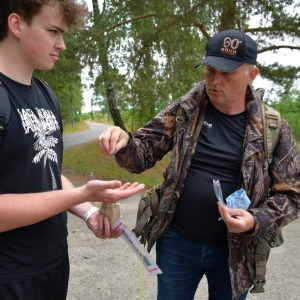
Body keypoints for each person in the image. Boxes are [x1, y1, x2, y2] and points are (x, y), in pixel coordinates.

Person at [98, 29, 300, 300]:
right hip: (177, 242)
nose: (215, 81)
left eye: (227, 73)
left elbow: (293, 194)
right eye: (209, 70)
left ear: (251, 74)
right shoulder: (185, 110)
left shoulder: (273, 128)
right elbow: (141, 154)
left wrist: (256, 219)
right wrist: (122, 141)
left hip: (235, 252)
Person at [0, 1, 145, 299]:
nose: (62, 45)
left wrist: (89, 211)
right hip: (9, 276)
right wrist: (81, 194)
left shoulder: (46, 95)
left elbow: (49, 174)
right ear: (16, 25)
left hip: (54, 264)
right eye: (53, 31)